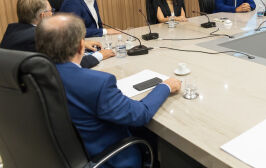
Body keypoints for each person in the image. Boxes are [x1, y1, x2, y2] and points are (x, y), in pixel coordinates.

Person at [35, 13, 181, 168]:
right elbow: (140, 114)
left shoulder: (34, 76)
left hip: (62, 157)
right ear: (80, 47)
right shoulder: (97, 83)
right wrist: (165, 87)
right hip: (108, 160)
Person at [0, 0, 114, 68]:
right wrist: (99, 55)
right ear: (43, 15)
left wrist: (77, 44)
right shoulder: (41, 37)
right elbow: (68, 67)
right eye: (51, 10)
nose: (53, 13)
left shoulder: (11, 30)